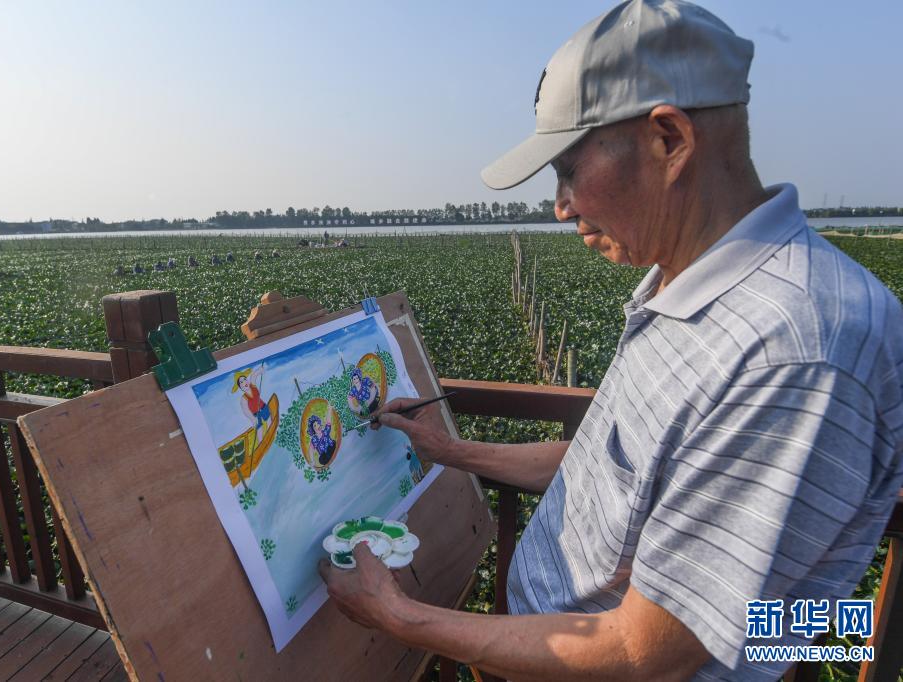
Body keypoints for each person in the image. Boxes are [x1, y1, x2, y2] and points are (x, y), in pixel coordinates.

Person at [318, 2, 903, 680]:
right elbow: (615, 470)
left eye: (567, 170)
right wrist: (448, 450)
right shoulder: (681, 283)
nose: (560, 205)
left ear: (668, 141)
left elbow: (644, 652)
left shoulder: (796, 348)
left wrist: (399, 617)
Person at [233, 364, 270, 445]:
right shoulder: (244, 398)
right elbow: (245, 410)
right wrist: (253, 419)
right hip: (255, 414)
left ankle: (270, 434)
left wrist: (260, 370)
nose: (244, 382)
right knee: (259, 428)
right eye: (241, 382)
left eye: (245, 379)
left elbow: (254, 375)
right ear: (240, 387)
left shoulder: (253, 385)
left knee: (269, 420)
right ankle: (261, 443)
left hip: (263, 407)